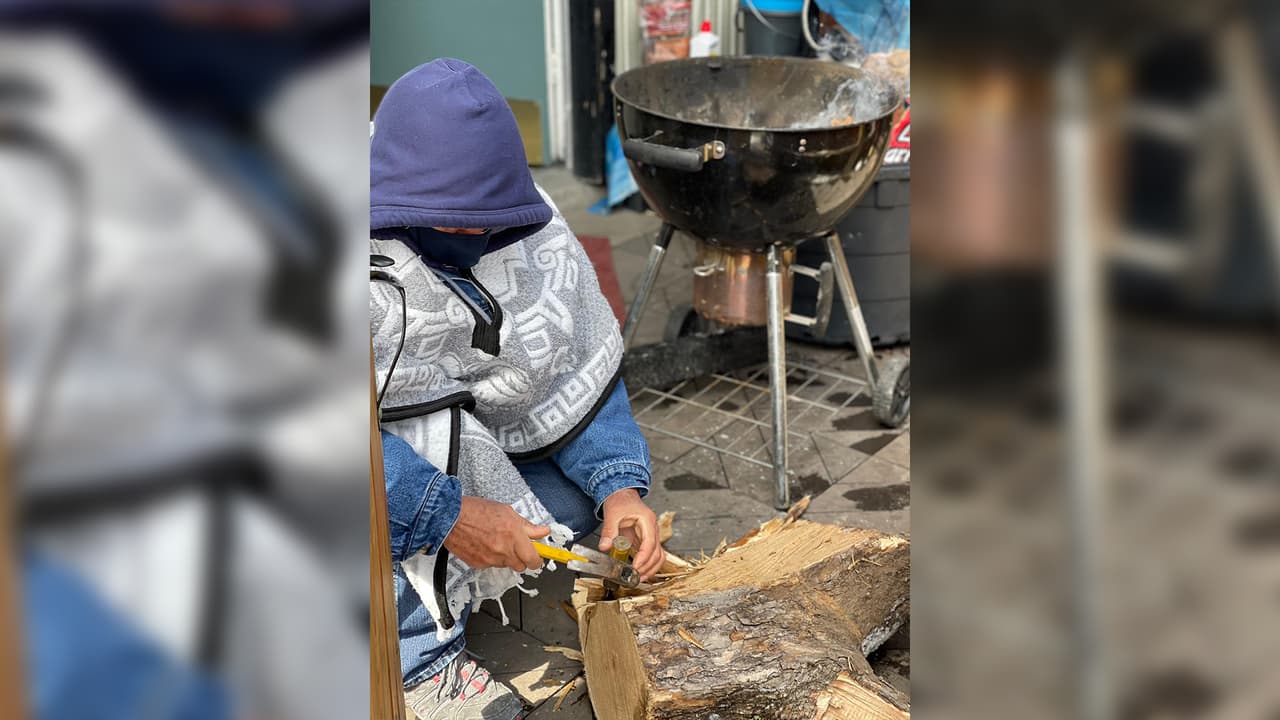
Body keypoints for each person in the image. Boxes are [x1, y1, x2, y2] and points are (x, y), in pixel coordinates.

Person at [370, 58, 664, 719]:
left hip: (467, 438)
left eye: (486, 223)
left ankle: (452, 579)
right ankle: (418, 667)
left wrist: (620, 489)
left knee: (579, 512)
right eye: (452, 224)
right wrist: (447, 516)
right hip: (353, 471)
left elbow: (578, 367)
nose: (476, 238)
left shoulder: (527, 222)